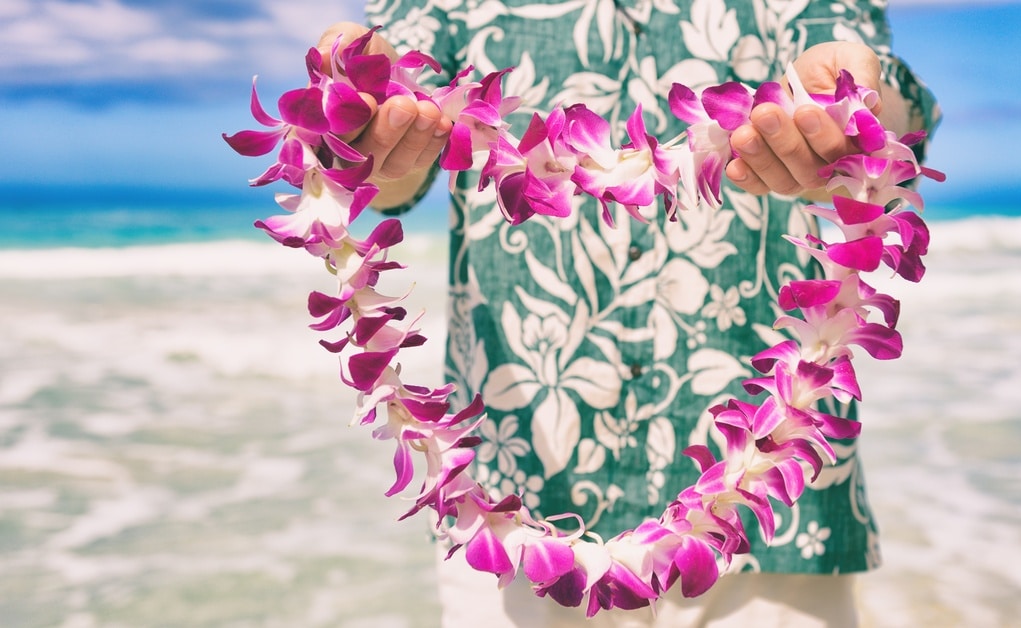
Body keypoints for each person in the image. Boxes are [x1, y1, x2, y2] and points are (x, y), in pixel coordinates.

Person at [318, 1, 939, 625]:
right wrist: (362, 109)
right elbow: (393, 163)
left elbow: (872, 79)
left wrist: (854, 108)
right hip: (511, 516)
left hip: (775, 519)